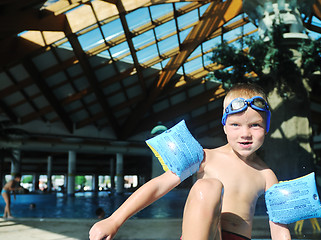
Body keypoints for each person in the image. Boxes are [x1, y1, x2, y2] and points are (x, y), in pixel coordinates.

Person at [89, 83, 291, 240]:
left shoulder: (266, 175)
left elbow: (280, 228)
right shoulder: (205, 157)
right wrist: (114, 220)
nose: (245, 134)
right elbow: (159, 185)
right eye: (236, 124)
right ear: (224, 127)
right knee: (208, 186)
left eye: (255, 125)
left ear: (266, 127)